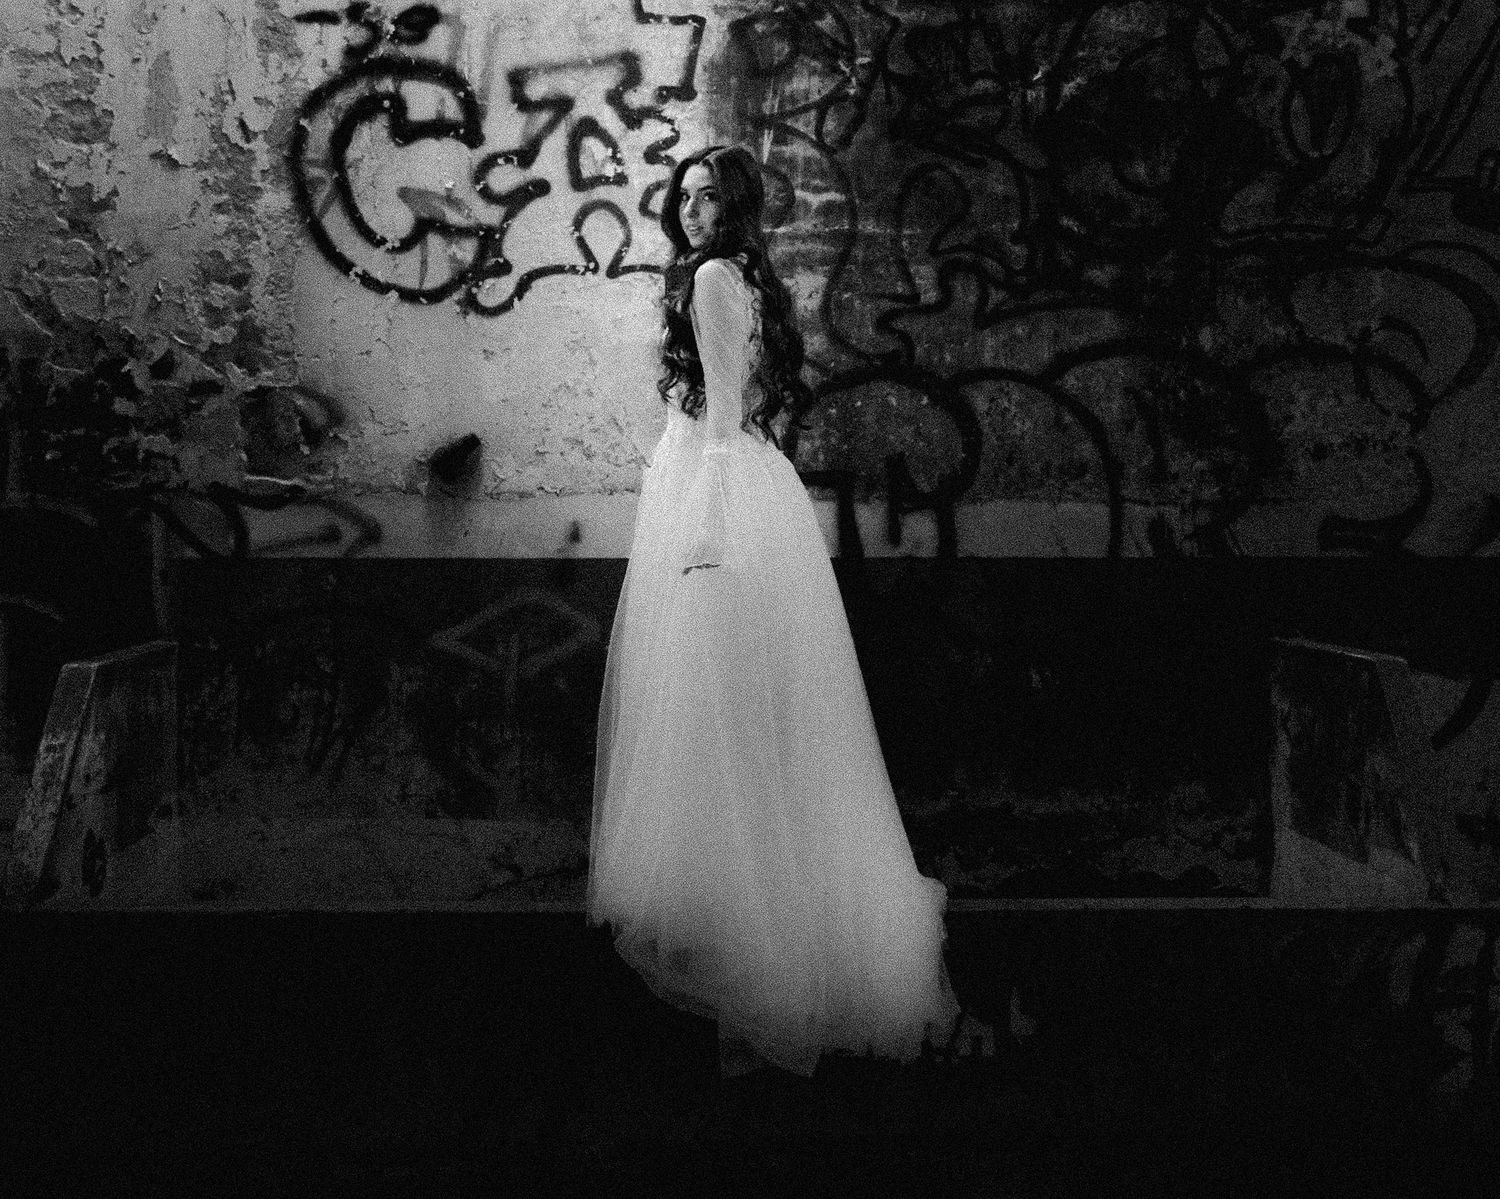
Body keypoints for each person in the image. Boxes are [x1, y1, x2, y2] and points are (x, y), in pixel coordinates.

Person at [587, 144, 960, 1078]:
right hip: (738, 488)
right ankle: (761, 978)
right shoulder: (735, 278)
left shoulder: (715, 276)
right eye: (683, 197)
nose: (692, 211)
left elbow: (717, 417)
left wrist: (706, 535)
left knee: (722, 736)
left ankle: (756, 984)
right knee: (748, 735)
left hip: (718, 497)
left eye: (709, 197)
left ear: (738, 207)